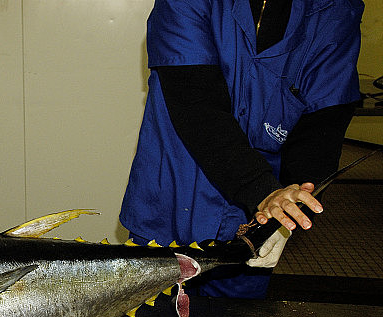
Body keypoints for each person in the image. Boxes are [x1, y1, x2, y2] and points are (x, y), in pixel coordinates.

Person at [119, 0, 364, 298]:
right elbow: (195, 102)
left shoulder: (337, 9)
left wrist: (290, 207)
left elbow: (323, 124)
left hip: (254, 222)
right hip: (172, 198)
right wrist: (262, 192)